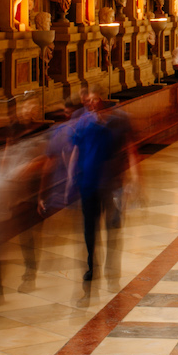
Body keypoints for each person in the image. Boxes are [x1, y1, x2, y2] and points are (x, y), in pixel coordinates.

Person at [68, 89, 138, 282]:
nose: (89, 104)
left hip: (111, 183)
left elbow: (128, 149)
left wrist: (133, 179)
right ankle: (92, 265)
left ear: (100, 99)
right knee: (89, 227)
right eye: (85, 102)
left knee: (112, 224)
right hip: (88, 183)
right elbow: (76, 149)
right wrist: (70, 177)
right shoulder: (83, 122)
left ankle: (112, 264)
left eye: (92, 100)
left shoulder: (118, 120)